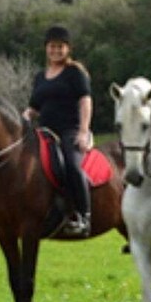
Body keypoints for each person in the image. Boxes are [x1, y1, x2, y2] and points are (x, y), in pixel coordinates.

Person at [23, 25, 93, 237]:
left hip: (69, 130)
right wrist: (22, 118)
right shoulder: (40, 76)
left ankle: (84, 215)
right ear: (46, 48)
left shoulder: (75, 73)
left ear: (68, 49)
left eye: (60, 47)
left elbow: (85, 101)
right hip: (44, 132)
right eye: (52, 46)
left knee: (71, 165)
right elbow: (34, 107)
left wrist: (83, 130)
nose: (56, 51)